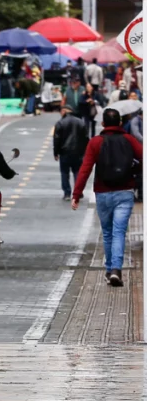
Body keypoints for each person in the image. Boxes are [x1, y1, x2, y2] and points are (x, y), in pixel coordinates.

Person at [72, 108, 143, 287]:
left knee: (108, 233)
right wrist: (135, 172)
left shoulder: (96, 142)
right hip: (125, 192)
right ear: (119, 123)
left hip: (102, 193)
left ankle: (110, 269)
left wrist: (77, 194)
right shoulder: (129, 140)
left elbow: (85, 168)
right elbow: (144, 157)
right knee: (120, 232)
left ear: (102, 123)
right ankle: (116, 270)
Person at [54, 105, 89, 202]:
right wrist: (85, 151)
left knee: (64, 173)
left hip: (64, 152)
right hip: (78, 152)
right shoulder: (80, 122)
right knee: (77, 172)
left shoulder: (60, 123)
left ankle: (67, 193)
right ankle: (78, 192)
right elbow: (86, 138)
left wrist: (56, 153)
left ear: (64, 111)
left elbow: (56, 139)